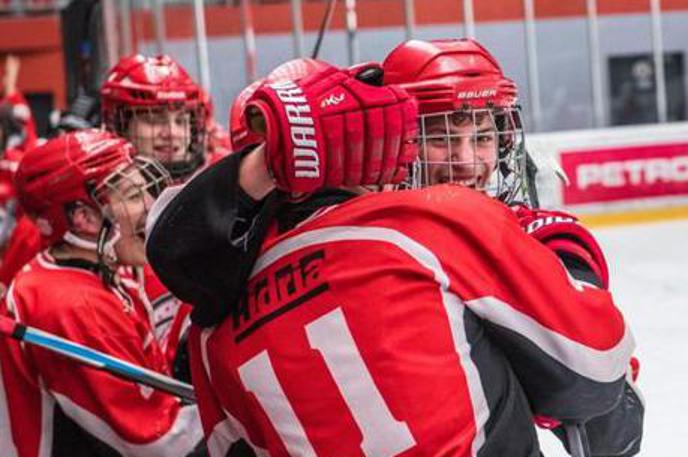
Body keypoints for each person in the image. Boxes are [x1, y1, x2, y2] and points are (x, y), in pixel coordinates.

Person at [145, 49, 636, 456]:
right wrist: (566, 260)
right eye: (438, 137)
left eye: (482, 136)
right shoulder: (431, 228)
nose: (467, 163)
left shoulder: (212, 335)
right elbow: (604, 399)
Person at [0, 129, 204, 456]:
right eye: (134, 196)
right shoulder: (73, 306)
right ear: (84, 218)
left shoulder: (97, 271)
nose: (151, 205)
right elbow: (157, 443)